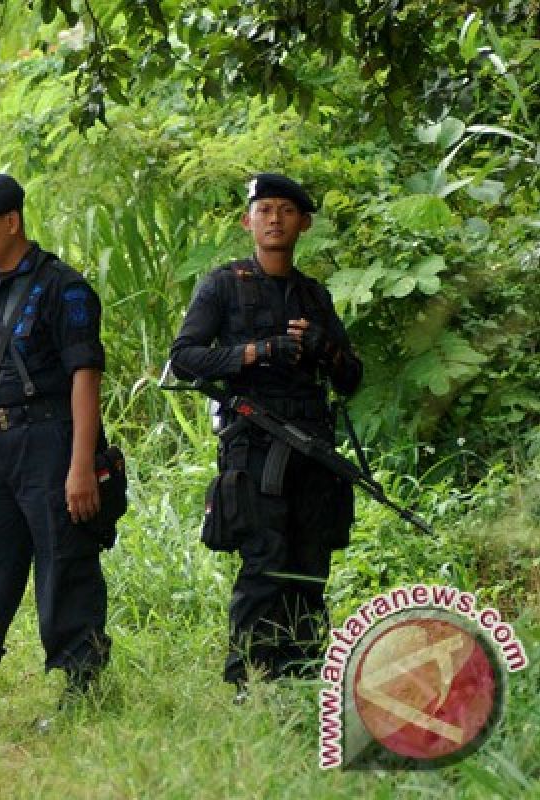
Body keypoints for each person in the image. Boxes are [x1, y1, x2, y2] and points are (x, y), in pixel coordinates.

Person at [168, 173, 363, 701]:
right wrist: (257, 352)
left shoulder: (314, 295)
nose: (274, 218)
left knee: (310, 563)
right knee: (264, 561)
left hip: (313, 447)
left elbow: (351, 379)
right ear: (247, 221)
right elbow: (183, 359)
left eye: (286, 210)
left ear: (304, 223)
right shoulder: (223, 284)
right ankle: (250, 681)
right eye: (264, 209)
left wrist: (325, 348)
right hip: (254, 442)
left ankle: (303, 675)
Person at [0, 173, 112, 732]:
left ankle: (82, 690)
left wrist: (81, 465)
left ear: (11, 221)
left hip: (53, 442)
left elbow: (85, 378)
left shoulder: (64, 288)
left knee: (65, 567)